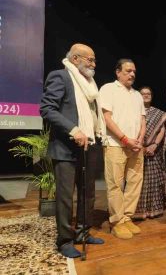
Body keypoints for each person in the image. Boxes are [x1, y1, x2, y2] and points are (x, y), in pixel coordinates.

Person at [40, 43, 105, 258]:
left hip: (90, 144)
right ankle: (65, 240)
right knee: (66, 196)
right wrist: (73, 129)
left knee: (88, 194)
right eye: (90, 59)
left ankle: (82, 233)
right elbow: (47, 109)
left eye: (94, 60)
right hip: (67, 146)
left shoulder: (90, 83)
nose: (94, 64)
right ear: (75, 59)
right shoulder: (60, 76)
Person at [99, 59, 146, 239]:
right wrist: (125, 139)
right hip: (115, 144)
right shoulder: (108, 89)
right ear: (118, 72)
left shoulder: (137, 95)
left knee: (134, 182)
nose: (132, 74)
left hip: (135, 146)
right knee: (115, 184)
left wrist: (140, 139)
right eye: (128, 71)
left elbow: (142, 119)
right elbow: (106, 117)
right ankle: (116, 221)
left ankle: (127, 217)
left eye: (134, 71)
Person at [134, 86, 166, 219]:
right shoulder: (133, 112)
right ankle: (137, 211)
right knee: (138, 181)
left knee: (154, 181)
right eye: (143, 93)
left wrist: (154, 145)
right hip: (136, 150)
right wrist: (140, 146)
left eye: (148, 93)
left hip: (153, 152)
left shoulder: (158, 113)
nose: (146, 95)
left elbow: (162, 129)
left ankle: (154, 210)